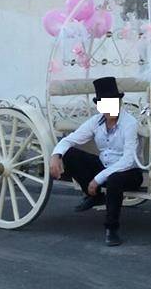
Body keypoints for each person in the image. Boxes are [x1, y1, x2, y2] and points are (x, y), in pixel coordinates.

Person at [49, 77, 143, 246]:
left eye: (113, 103)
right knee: (70, 154)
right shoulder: (96, 121)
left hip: (129, 172)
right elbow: (70, 140)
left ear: (120, 103)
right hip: (104, 166)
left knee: (114, 179)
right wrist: (56, 156)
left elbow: (128, 160)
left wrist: (98, 179)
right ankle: (95, 196)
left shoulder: (130, 124)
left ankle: (111, 230)